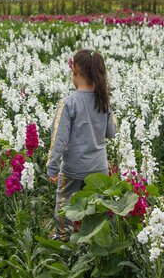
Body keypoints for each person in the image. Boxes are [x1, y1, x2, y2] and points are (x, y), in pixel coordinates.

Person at [46, 48, 117, 239]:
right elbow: (112, 132)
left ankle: (63, 242)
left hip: (73, 169)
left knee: (65, 206)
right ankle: (94, 245)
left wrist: (52, 167)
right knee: (97, 211)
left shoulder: (68, 103)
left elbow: (58, 140)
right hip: (99, 169)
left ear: (75, 72)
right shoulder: (104, 102)